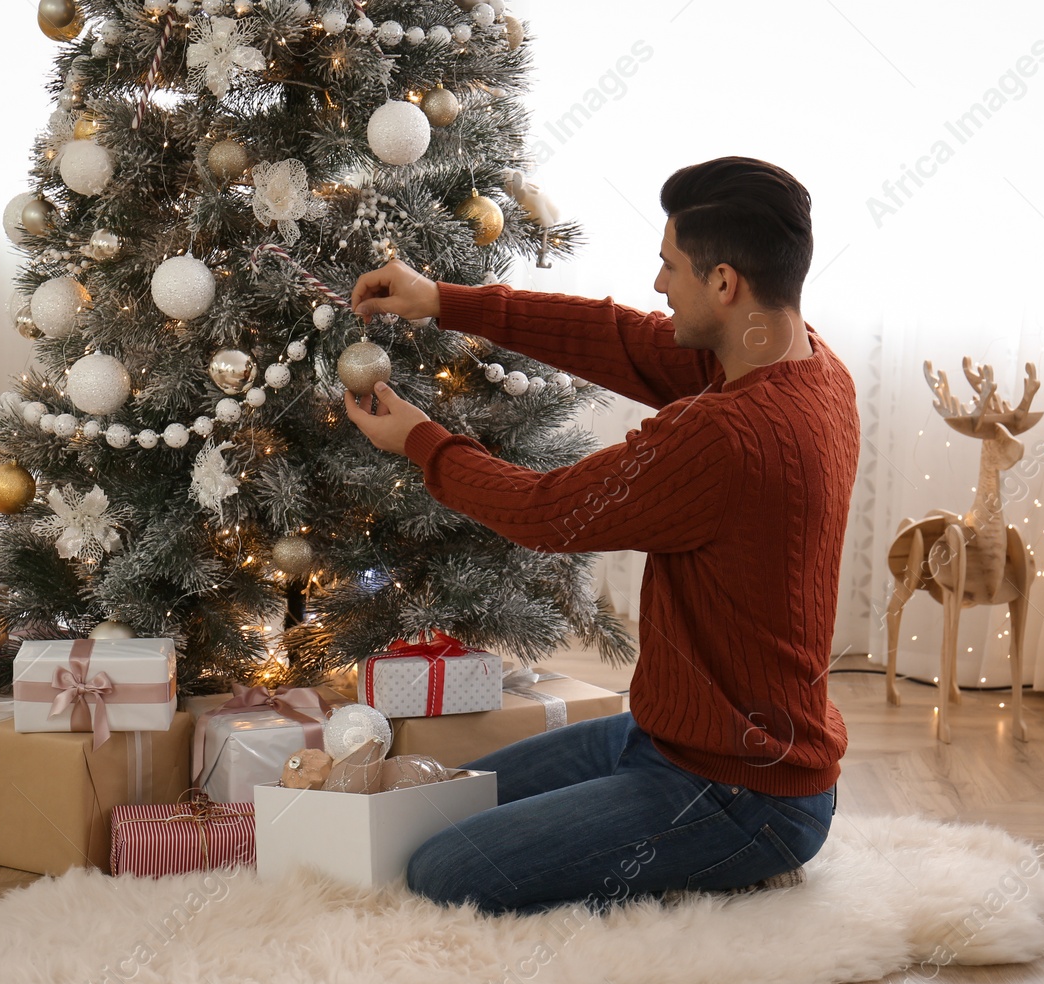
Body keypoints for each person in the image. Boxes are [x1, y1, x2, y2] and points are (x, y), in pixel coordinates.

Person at [344, 156, 859, 915]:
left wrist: (425, 442)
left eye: (669, 265)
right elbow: (618, 338)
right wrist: (444, 300)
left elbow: (552, 512)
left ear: (724, 284)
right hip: (668, 739)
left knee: (445, 873)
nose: (658, 285)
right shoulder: (801, 361)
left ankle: (743, 861)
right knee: (438, 804)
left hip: (742, 794)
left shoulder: (728, 434)